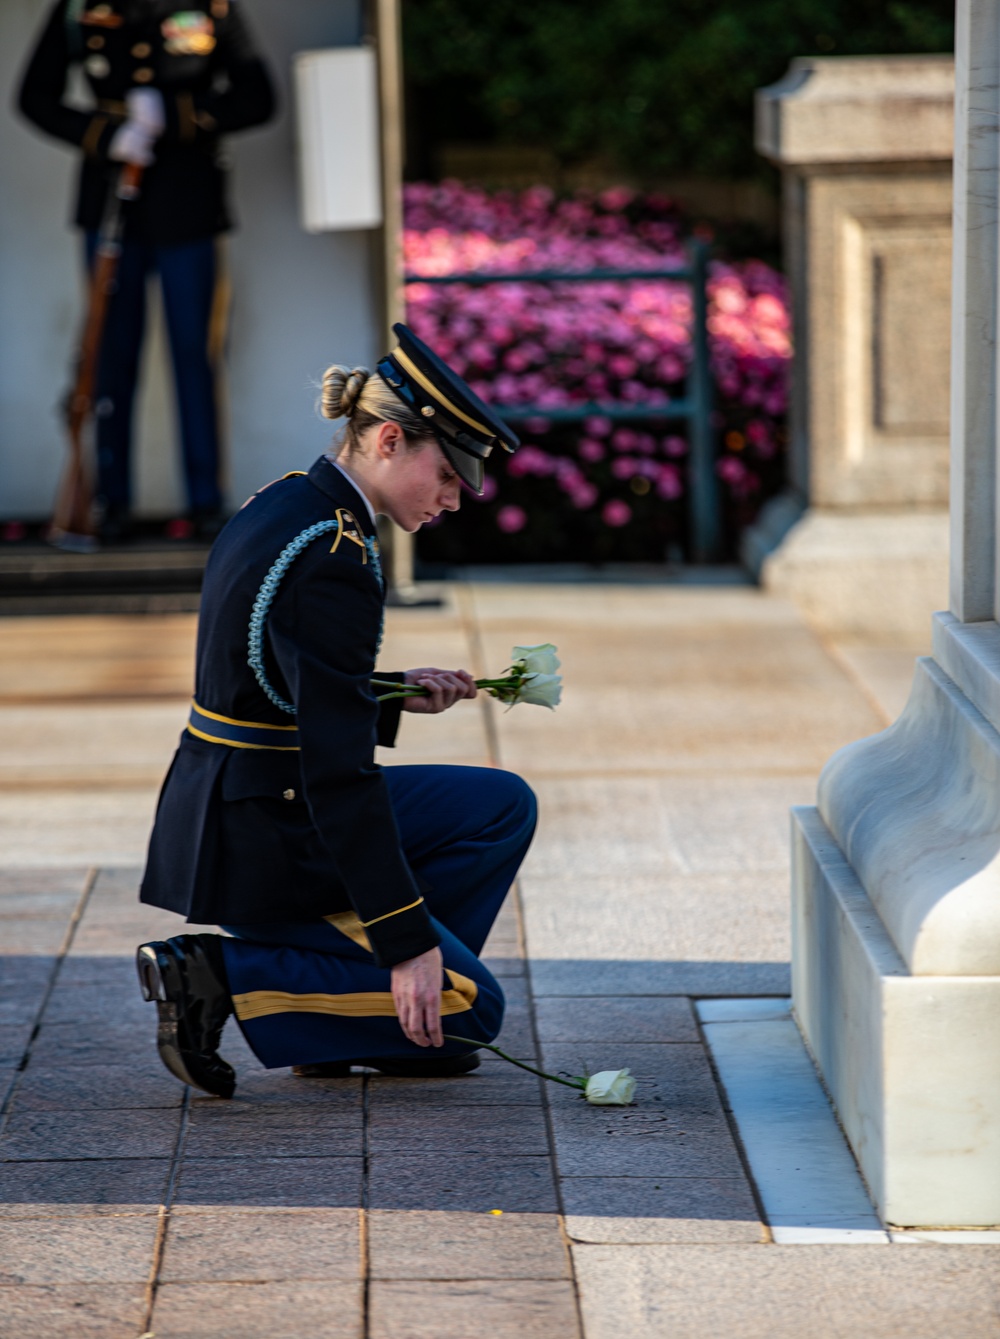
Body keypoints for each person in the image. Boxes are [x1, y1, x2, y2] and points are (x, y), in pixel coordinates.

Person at [135, 324, 534, 1098]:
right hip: (268, 832)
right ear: (390, 438)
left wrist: (382, 689)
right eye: (449, 474)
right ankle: (216, 975)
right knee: (475, 1007)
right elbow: (338, 772)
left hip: (232, 799)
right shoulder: (339, 560)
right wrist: (407, 939)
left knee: (500, 807)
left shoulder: (290, 502)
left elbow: (267, 674)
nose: (454, 498)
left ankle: (360, 1025)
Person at [17, 0, 276, 542]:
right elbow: (33, 97)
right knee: (113, 355)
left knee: (194, 355)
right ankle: (112, 502)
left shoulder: (209, 7)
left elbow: (258, 96)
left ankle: (206, 500)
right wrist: (104, 135)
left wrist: (180, 117)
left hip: (189, 205)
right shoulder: (80, 8)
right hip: (112, 203)